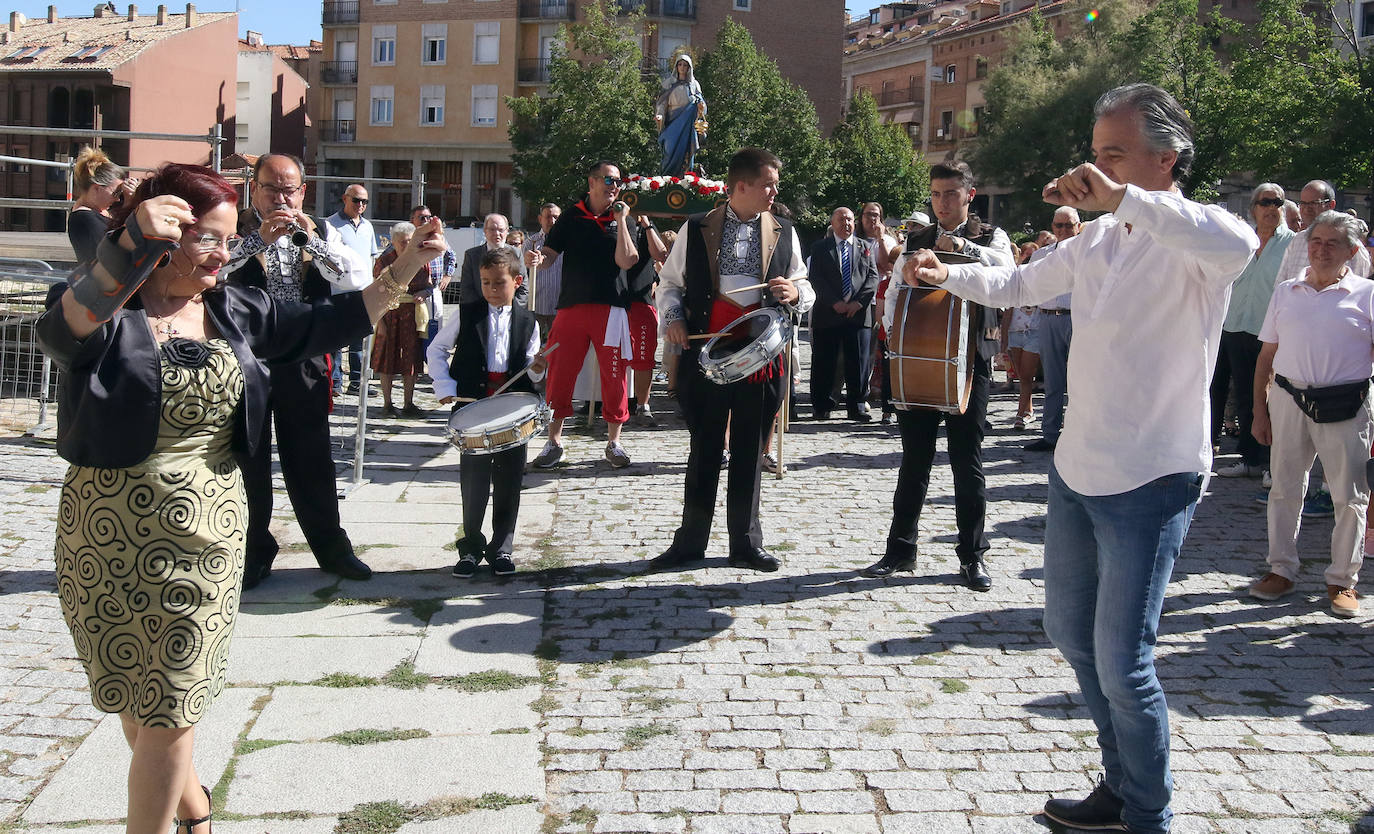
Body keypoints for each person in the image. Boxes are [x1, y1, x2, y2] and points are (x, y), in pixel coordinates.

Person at [36, 163, 435, 834]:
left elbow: (328, 321)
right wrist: (126, 249)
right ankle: (197, 811)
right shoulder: (104, 304)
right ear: (167, 236)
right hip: (103, 538)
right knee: (135, 709)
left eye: (229, 239)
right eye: (211, 240)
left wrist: (400, 270)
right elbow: (62, 331)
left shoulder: (234, 310)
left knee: (168, 709)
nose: (227, 254)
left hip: (205, 541)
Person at [902, 83, 1257, 833]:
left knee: (1125, 662)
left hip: (1154, 474)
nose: (1098, 168)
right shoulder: (1095, 241)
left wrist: (1122, 199)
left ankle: (1148, 815)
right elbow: (1019, 283)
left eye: (1115, 153)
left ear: (1167, 159)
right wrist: (945, 274)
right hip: (1077, 467)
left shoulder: (1204, 238)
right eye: (1096, 154)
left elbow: (1237, 244)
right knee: (1070, 634)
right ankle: (1120, 786)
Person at [649, 146, 814, 574]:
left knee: (748, 451)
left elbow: (804, 284)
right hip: (708, 353)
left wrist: (796, 293)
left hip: (761, 354)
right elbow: (668, 284)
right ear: (741, 186)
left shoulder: (784, 230)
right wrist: (673, 318)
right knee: (704, 448)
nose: (774, 192)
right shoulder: (698, 227)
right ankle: (689, 543)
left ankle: (746, 543)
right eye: (768, 184)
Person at [860, 160, 1015, 591]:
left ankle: (972, 556)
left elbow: (1004, 270)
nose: (942, 203)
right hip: (918, 358)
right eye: (935, 195)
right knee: (914, 460)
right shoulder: (917, 237)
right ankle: (900, 550)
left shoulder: (991, 236)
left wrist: (960, 248)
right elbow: (896, 291)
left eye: (950, 194)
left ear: (970, 194)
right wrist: (893, 339)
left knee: (968, 462)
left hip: (970, 361)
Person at [223, 153, 375, 589]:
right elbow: (216, 269)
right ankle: (252, 551)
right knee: (248, 456)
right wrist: (257, 243)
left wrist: (313, 242)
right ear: (254, 189)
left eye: (289, 189)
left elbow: (351, 277)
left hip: (303, 354)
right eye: (271, 188)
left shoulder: (319, 228)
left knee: (311, 455)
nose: (281, 198)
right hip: (247, 354)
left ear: (303, 191)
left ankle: (331, 546)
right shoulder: (234, 226)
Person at [1248, 211, 1371, 618]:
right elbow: (1266, 355)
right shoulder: (1286, 290)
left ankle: (1342, 580)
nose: (1320, 249)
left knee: (1348, 495)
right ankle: (1280, 570)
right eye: (1316, 241)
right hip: (1288, 399)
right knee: (1284, 487)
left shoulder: (1367, 295)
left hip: (1347, 404)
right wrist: (1259, 412)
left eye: (1331, 243)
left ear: (1352, 251)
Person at [428, 249, 547, 578]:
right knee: (474, 481)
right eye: (485, 283)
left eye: (499, 283)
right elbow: (436, 348)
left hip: (512, 410)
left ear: (517, 281)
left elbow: (533, 369)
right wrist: (444, 385)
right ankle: (470, 547)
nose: (492, 289)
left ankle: (502, 548)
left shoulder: (528, 321)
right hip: (473, 407)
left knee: (510, 479)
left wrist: (538, 368)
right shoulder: (467, 314)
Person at [533, 161, 659, 469]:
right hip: (572, 307)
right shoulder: (571, 215)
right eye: (608, 179)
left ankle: (614, 442)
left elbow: (628, 260)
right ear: (592, 182)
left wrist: (621, 220)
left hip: (611, 308)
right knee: (561, 372)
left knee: (614, 376)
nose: (614, 185)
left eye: (618, 181)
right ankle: (554, 441)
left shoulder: (624, 218)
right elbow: (551, 254)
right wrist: (539, 258)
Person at [1213, 184, 1294, 478]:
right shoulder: (1243, 240)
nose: (1271, 208)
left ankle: (1272, 463)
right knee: (1247, 395)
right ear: (1253, 208)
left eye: (1277, 202)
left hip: (1272, 332)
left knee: (1272, 398)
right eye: (1265, 202)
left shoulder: (1292, 244)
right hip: (1236, 326)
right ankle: (1249, 459)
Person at [810, 207, 881, 421]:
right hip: (828, 314)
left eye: (850, 219)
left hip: (858, 316)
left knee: (858, 363)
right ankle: (822, 405)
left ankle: (857, 405)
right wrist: (835, 302)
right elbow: (816, 278)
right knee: (824, 361)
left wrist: (858, 303)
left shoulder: (865, 247)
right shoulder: (820, 247)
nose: (846, 223)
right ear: (832, 223)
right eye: (841, 219)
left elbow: (872, 278)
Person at [1026, 206, 1082, 451]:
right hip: (1048, 318)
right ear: (1052, 227)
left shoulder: (1090, 254)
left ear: (1078, 226)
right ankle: (1050, 435)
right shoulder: (1042, 256)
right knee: (1053, 381)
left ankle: (1079, 436)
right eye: (1059, 225)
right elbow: (1029, 283)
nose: (1063, 230)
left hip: (1079, 319)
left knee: (1082, 381)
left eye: (1068, 225)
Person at [370, 221, 433, 417]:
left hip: (411, 316)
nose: (407, 245)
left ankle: (409, 403)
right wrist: (379, 323)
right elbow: (375, 291)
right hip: (388, 315)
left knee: (411, 359)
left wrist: (424, 292)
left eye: (410, 241)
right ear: (394, 241)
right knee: (387, 360)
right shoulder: (384, 261)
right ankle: (387, 404)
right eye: (403, 242)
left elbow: (430, 285)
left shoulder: (421, 260)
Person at [327, 184, 379, 395]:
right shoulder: (331, 224)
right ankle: (335, 382)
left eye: (364, 202)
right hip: (338, 291)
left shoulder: (368, 226)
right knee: (337, 340)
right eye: (356, 200)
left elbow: (372, 257)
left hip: (363, 292)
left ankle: (357, 382)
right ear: (345, 199)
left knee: (359, 341)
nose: (360, 205)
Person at [67, 146, 136, 263]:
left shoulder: (103, 210)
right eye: (116, 193)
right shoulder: (83, 218)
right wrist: (129, 203)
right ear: (96, 189)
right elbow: (116, 252)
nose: (118, 199)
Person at [456, 213, 528, 306]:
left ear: (507, 231)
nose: (497, 233)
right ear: (485, 231)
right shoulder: (472, 255)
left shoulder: (516, 253)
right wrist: (485, 311)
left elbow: (523, 287)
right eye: (492, 229)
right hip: (481, 313)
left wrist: (511, 309)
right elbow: (467, 289)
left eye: (501, 230)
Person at [654, 55, 707, 176]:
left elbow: (701, 105)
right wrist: (660, 116)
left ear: (689, 67)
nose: (682, 67)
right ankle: (667, 179)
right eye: (680, 64)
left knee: (686, 153)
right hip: (672, 124)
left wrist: (701, 107)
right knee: (669, 150)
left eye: (685, 65)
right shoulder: (668, 84)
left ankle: (685, 179)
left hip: (688, 126)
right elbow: (662, 103)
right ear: (676, 66)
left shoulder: (694, 85)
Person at [523, 203, 564, 341]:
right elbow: (522, 272)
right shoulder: (531, 243)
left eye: (556, 217)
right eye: (548, 217)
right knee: (533, 347)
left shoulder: (567, 243)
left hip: (559, 307)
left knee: (557, 347)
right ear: (540, 219)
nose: (552, 221)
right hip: (536, 306)